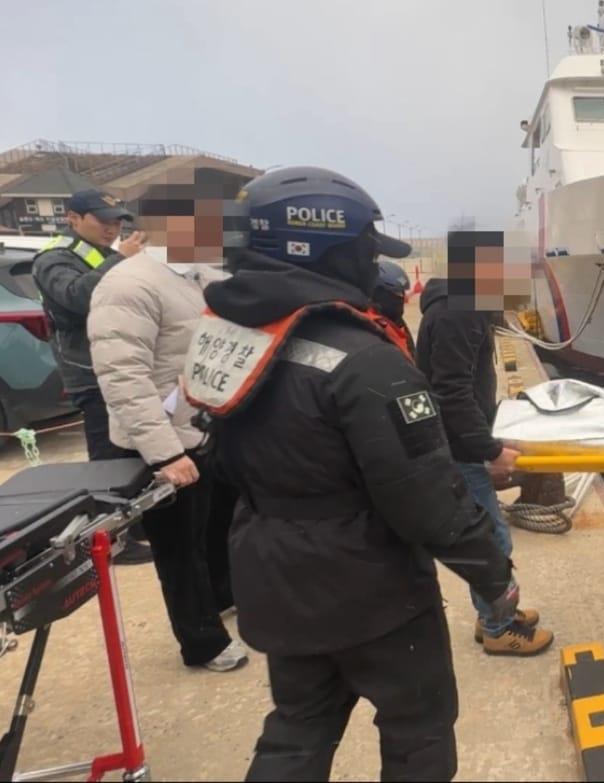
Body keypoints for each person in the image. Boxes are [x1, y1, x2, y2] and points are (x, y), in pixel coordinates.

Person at [181, 166, 519, 780]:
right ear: (325, 249)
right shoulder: (365, 360)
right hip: (372, 593)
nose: (374, 266)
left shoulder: (231, 337)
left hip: (275, 575)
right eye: (367, 250)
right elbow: (426, 499)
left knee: (296, 730)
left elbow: (222, 458)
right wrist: (494, 576)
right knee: (417, 731)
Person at [87, 172, 247, 672]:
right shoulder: (128, 284)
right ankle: (203, 642)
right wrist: (165, 454)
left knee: (217, 525)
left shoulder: (196, 274)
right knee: (179, 548)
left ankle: (221, 596)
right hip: (161, 441)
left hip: (202, 427)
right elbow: (121, 375)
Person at [417, 264, 552, 656]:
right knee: (491, 541)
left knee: (490, 537)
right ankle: (498, 627)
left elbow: (465, 386)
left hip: (460, 443)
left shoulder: (463, 308)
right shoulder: (459, 314)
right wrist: (489, 451)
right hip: (457, 450)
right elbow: (452, 392)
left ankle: (492, 615)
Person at [33, 188, 153, 565]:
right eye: (104, 221)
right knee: (107, 458)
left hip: (123, 365)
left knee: (136, 450)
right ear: (73, 218)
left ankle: (136, 522)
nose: (113, 228)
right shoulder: (53, 258)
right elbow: (76, 297)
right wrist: (120, 259)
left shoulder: (101, 254)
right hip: (91, 372)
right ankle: (110, 538)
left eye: (118, 221)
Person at [369, 259, 415, 356]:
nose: (401, 298)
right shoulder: (369, 324)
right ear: (378, 292)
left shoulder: (397, 321)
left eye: (402, 293)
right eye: (396, 293)